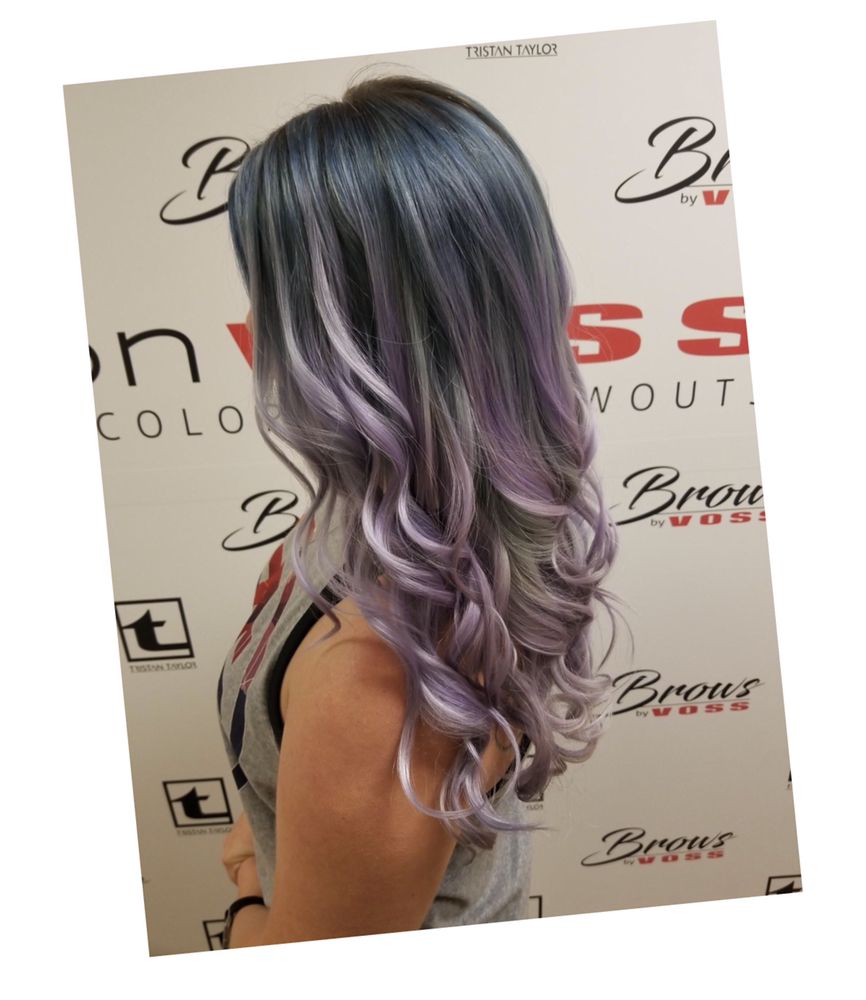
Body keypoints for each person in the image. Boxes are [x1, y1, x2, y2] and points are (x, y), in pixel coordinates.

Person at [215, 69, 625, 949]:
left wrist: (248, 885)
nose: (249, 315)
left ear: (334, 333)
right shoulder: (403, 517)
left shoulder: (380, 677)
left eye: (270, 289)